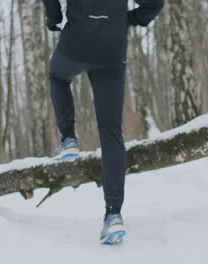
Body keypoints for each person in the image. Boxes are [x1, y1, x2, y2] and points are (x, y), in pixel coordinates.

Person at [42, 0, 164, 244]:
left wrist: (54, 19)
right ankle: (113, 215)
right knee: (111, 133)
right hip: (112, 47)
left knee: (57, 76)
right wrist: (130, 19)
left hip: (77, 41)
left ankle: (69, 138)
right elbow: (155, 2)